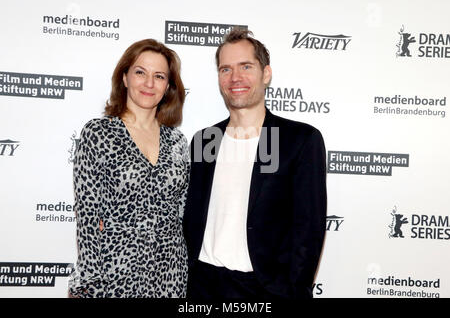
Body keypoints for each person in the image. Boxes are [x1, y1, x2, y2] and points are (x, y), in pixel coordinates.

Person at [183, 29, 327, 299]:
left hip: (262, 289)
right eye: (225, 69)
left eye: (245, 66)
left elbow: (309, 230)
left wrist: (293, 291)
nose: (235, 77)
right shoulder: (206, 140)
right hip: (201, 285)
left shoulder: (297, 139)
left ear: (266, 74)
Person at [68, 39, 189, 298]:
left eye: (159, 76)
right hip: (113, 273)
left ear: (168, 86)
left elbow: (182, 213)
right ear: (124, 78)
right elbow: (87, 219)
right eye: (140, 72)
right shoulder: (98, 134)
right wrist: (89, 284)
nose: (149, 83)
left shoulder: (178, 141)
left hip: (170, 274)